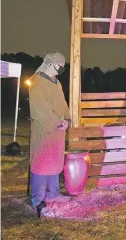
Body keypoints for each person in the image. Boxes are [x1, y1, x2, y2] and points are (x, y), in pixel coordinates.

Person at [28, 52, 71, 216]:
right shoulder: (37, 81)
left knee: (54, 161)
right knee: (41, 163)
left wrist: (67, 119)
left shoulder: (57, 83)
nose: (62, 68)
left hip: (58, 131)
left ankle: (53, 193)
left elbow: (63, 103)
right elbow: (41, 109)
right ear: (52, 64)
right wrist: (58, 123)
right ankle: (37, 200)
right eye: (60, 65)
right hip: (45, 130)